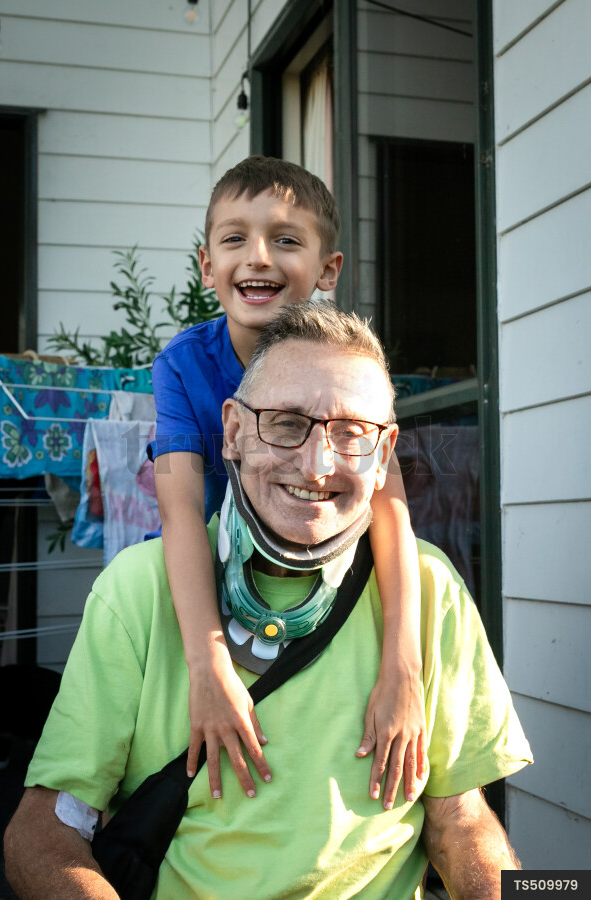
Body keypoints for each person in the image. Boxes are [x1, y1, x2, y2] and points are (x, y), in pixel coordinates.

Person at [5, 300, 533, 900]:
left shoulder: (431, 591)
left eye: (353, 434)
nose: (317, 466)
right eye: (285, 423)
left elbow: (461, 820)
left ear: (385, 454)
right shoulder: (138, 590)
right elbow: (46, 827)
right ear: (232, 432)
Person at [149, 155, 425, 809]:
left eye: (287, 239)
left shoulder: (352, 366)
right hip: (222, 574)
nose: (259, 258)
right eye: (235, 238)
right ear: (206, 264)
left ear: (328, 270)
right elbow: (180, 506)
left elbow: (392, 511)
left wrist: (402, 667)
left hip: (327, 568)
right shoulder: (184, 364)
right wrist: (206, 660)